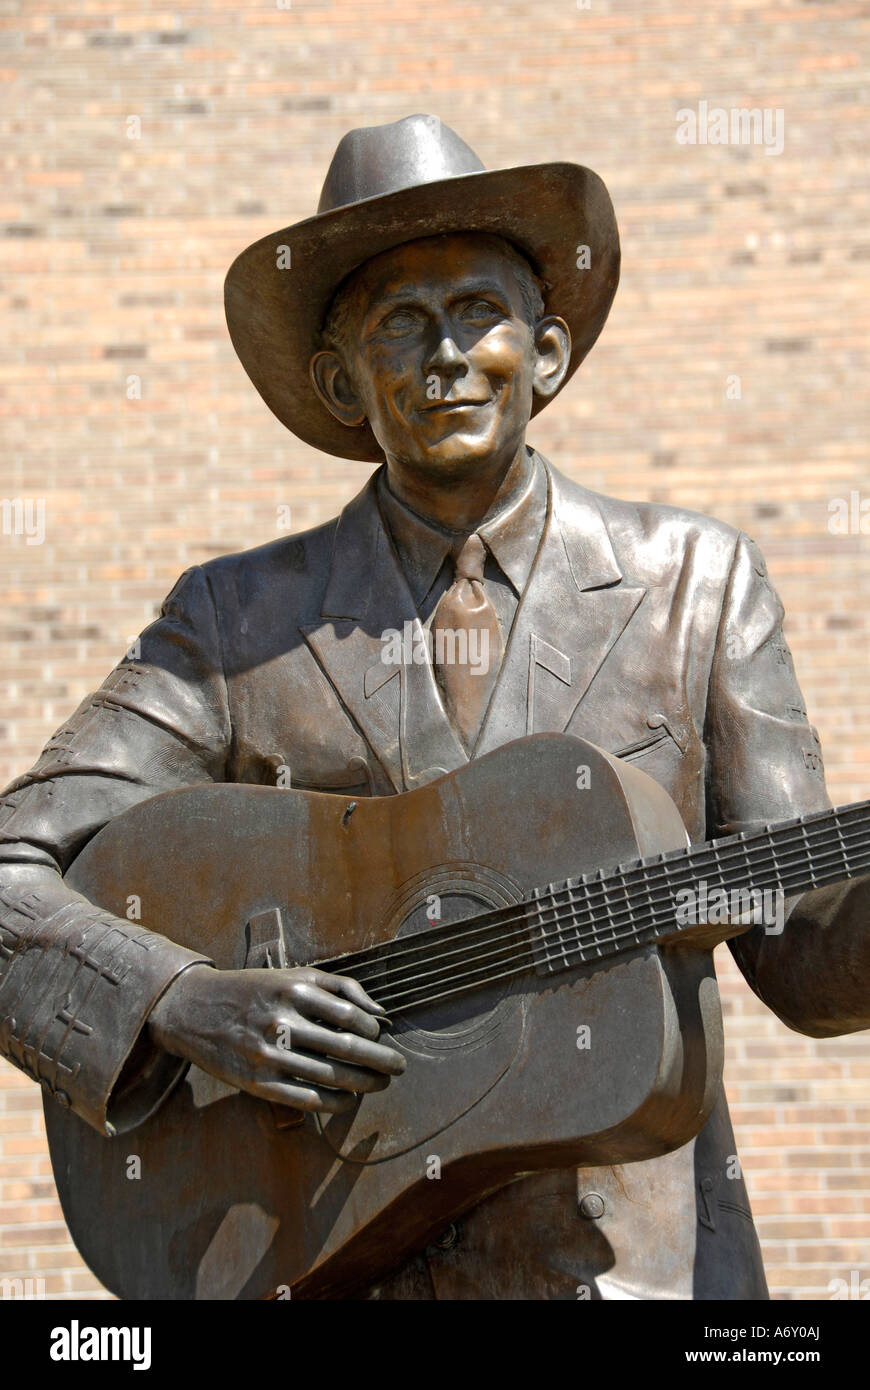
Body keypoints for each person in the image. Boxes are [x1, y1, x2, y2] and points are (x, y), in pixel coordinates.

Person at [0, 114, 867, 1299]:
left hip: (646, 1276)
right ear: (341, 381)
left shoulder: (695, 587)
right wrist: (173, 997)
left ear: (548, 353)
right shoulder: (238, 621)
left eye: (478, 313)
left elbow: (798, 946)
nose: (445, 354)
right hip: (336, 1263)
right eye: (400, 325)